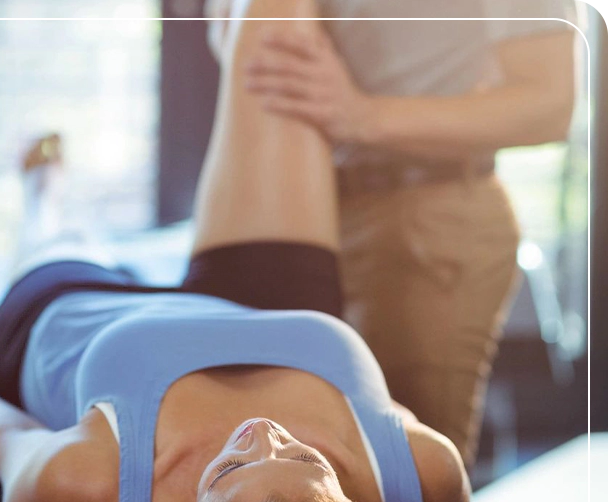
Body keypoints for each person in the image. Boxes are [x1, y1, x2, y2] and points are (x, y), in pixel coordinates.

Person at [0, 0, 533, 502]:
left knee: (56, 231)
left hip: (78, 315)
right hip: (264, 306)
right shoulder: (421, 478)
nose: (262, 430)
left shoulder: (84, 491)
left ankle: (42, 184)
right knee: (271, 15)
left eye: (230, 467)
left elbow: (4, 437)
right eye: (312, 463)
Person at [205, 0, 579, 469]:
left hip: (426, 207)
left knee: (406, 476)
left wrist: (362, 115)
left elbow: (549, 104)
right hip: (310, 208)